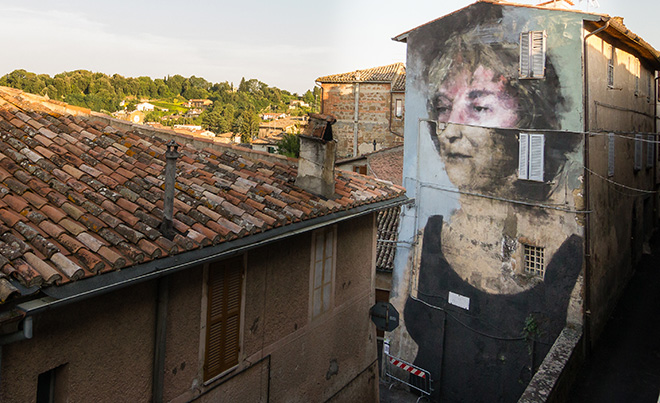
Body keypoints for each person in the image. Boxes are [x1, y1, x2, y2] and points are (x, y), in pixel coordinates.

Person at [402, 15, 583, 403]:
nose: (449, 128)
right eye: (442, 107)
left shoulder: (564, 251)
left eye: (479, 107)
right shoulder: (428, 236)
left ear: (528, 122)